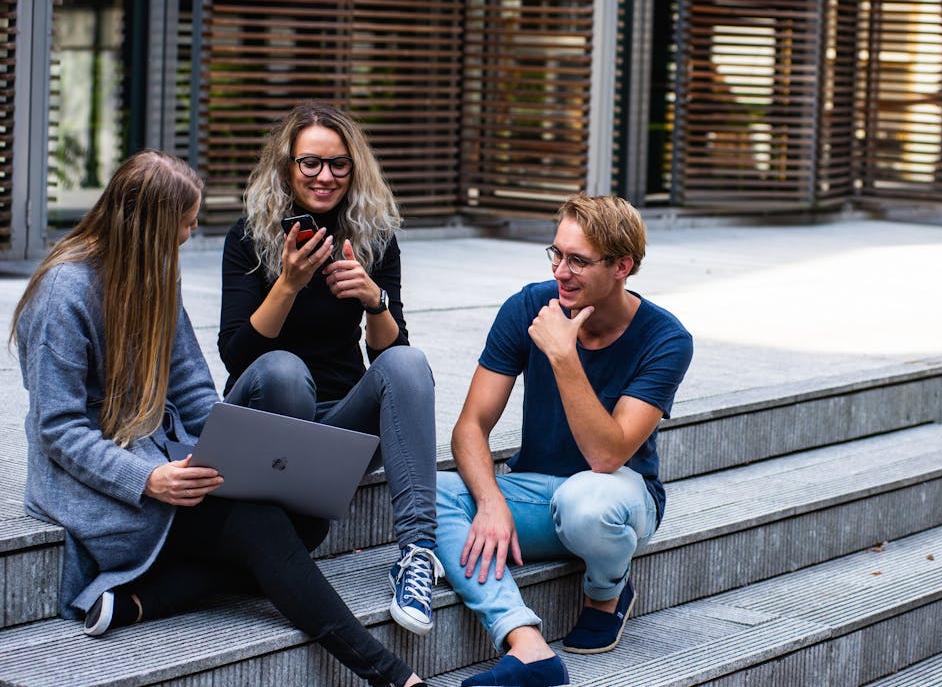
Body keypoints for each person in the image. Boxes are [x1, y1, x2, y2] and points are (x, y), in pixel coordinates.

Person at [12, 150, 428, 687]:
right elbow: (59, 429)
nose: (187, 237)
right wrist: (148, 479)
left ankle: (145, 598)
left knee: (306, 521)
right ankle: (391, 674)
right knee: (262, 527)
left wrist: (232, 451)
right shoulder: (62, 294)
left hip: (168, 462)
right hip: (101, 484)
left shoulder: (155, 275)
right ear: (149, 224)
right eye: (183, 225)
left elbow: (192, 390)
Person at [435, 194, 694, 686]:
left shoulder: (666, 339)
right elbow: (470, 426)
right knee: (431, 493)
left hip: (617, 496)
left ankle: (606, 591)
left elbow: (607, 454)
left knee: (586, 501)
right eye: (556, 254)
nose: (561, 271)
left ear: (623, 266)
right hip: (534, 491)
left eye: (578, 260)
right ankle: (525, 644)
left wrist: (563, 356)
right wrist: (490, 502)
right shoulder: (528, 306)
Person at [218, 103, 441, 635]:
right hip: (267, 417)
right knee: (284, 371)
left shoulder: (374, 236)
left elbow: (391, 360)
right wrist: (288, 283)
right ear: (287, 167)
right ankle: (280, 535)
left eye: (339, 165)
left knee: (409, 363)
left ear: (355, 168)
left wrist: (375, 300)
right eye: (311, 163)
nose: (325, 176)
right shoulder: (248, 237)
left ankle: (417, 556)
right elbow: (237, 355)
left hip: (338, 427)